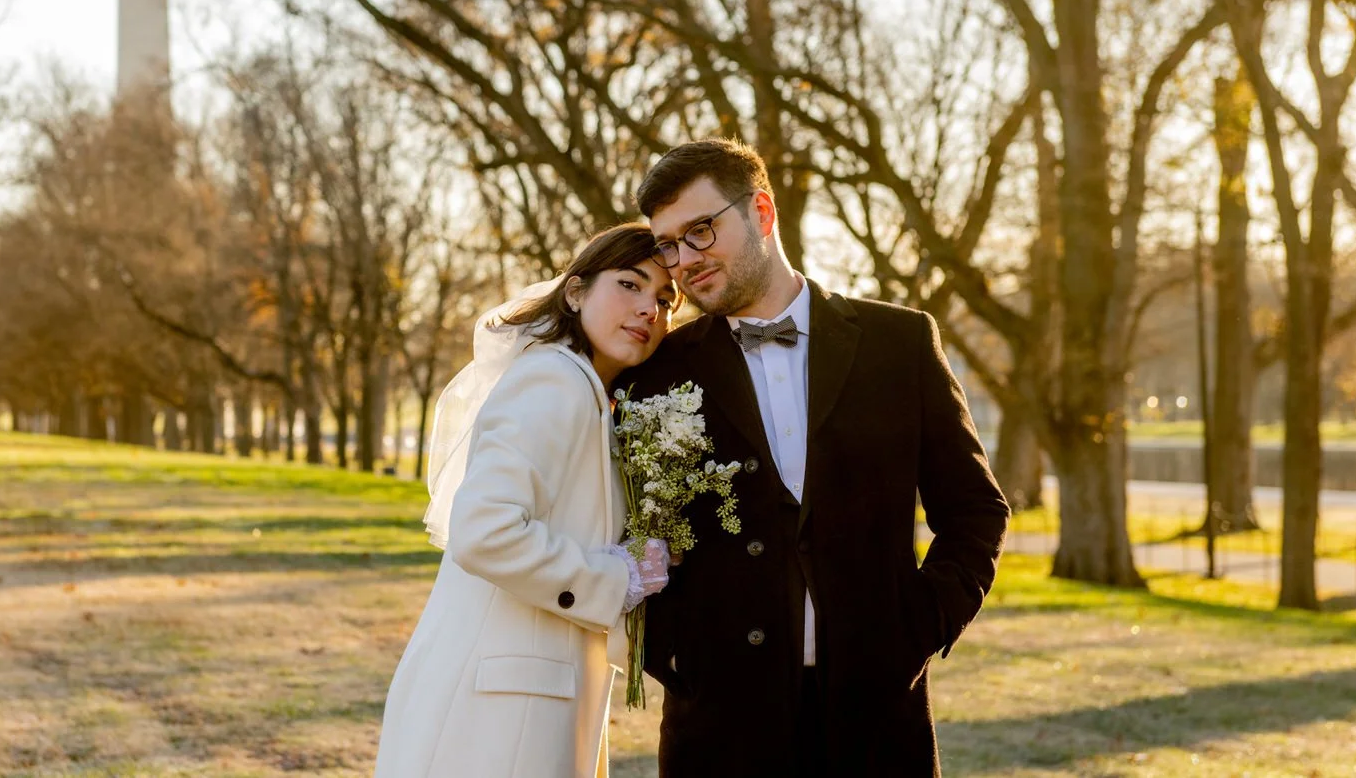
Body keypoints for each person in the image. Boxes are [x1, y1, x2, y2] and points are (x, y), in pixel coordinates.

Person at [626, 139, 1011, 777]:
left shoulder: (900, 342)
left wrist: (920, 626)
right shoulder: (658, 369)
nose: (684, 261)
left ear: (762, 213)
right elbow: (617, 522)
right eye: (668, 244)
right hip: (717, 730)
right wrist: (669, 652)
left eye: (700, 230)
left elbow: (974, 510)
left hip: (876, 722)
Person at [375, 224, 679, 778]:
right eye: (629, 285)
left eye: (664, 299)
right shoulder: (553, 380)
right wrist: (618, 578)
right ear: (576, 292)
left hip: (536, 696)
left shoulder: (593, 398)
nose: (648, 311)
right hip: (498, 707)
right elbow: (485, 531)